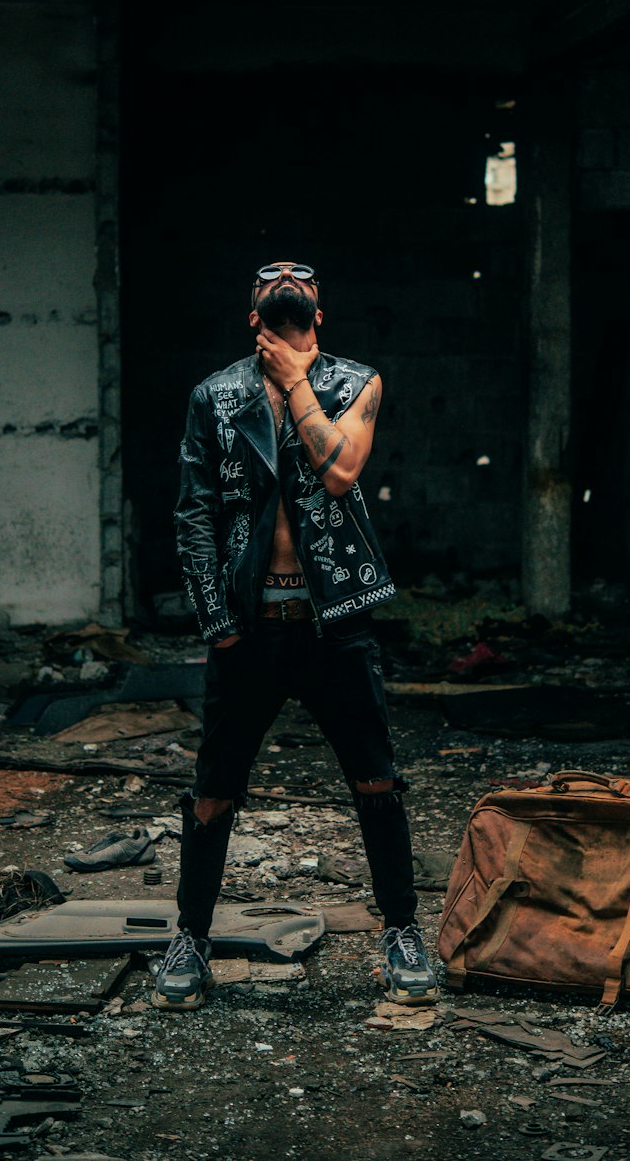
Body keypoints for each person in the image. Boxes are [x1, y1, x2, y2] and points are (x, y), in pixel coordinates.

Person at [153, 260, 437, 1011]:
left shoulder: (356, 383)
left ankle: (403, 931)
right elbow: (193, 513)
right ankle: (190, 937)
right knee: (213, 792)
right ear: (254, 314)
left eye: (298, 277)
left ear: (318, 306)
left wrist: (298, 382)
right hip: (250, 627)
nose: (285, 282)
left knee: (376, 779)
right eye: (270, 280)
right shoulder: (215, 396)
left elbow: (341, 472)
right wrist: (216, 621)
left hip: (334, 623)